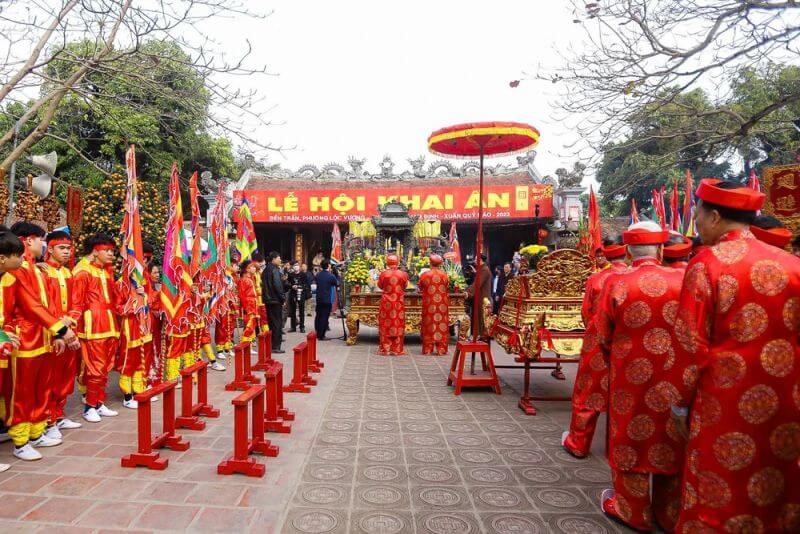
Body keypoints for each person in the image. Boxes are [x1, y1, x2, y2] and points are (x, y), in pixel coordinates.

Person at [671, 179, 800, 533]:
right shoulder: (792, 265)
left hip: (723, 402)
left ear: (714, 216)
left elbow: (690, 345)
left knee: (718, 483)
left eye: (698, 214)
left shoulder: (707, 264)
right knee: (776, 483)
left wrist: (680, 404)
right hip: (785, 401)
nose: (696, 222)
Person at [594, 222, 684, 532]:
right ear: (660, 250)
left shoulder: (617, 282)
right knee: (671, 436)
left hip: (630, 375)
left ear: (630, 252)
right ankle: (670, 513)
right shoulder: (683, 280)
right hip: (675, 374)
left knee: (630, 436)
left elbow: (603, 333)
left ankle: (632, 511)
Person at [6, 222, 80, 459]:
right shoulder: (18, 270)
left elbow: (48, 305)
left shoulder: (36, 269)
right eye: (41, 240)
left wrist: (56, 332)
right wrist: (60, 329)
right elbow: (31, 306)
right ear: (29, 240)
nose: (43, 244)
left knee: (42, 387)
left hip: (42, 335)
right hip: (24, 337)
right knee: (24, 390)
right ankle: (20, 441)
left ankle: (36, 431)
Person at [563, 236, 628, 459]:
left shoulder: (597, 279)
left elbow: (586, 312)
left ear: (606, 254)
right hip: (628, 347)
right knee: (625, 397)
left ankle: (579, 443)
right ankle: (618, 450)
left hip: (597, 342)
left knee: (588, 393)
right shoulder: (637, 278)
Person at [72, 233, 121, 423]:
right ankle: (90, 407)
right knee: (96, 368)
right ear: (95, 250)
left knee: (105, 366)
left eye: (112, 251)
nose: (111, 255)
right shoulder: (82, 271)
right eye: (107, 251)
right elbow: (76, 303)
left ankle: (99, 402)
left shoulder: (104, 270)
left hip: (108, 323)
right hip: (92, 327)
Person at [41, 230, 83, 432]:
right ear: (50, 249)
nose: (67, 252)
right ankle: (48, 420)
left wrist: (69, 322)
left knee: (66, 376)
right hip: (51, 333)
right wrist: (58, 328)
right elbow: (42, 305)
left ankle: (59, 415)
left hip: (68, 331)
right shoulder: (42, 273)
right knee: (50, 377)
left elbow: (77, 303)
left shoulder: (68, 273)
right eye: (62, 248)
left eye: (69, 248)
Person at [113, 259, 153, 409]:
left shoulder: (142, 281)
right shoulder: (120, 284)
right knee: (128, 359)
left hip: (143, 326)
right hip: (129, 328)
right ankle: (127, 395)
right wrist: (134, 302)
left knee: (141, 361)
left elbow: (150, 300)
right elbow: (118, 308)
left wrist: (144, 296)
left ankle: (138, 390)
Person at [0, 228, 25, 470]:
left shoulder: (8, 279)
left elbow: (7, 315)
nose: (22, 259)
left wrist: (6, 332)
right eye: (18, 255)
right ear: (3, 258)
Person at [377, 253, 409, 355]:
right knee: (398, 323)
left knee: (385, 324)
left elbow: (380, 285)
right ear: (397, 262)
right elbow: (405, 286)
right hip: (398, 302)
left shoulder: (383, 274)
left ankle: (385, 348)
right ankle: (397, 349)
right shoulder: (403, 274)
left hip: (386, 302)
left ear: (387, 263)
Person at [418, 253, 449, 355]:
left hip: (429, 302)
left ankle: (428, 348)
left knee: (429, 323)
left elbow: (420, 287)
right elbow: (446, 285)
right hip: (442, 303)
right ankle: (441, 349)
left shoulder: (425, 275)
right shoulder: (444, 275)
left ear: (430, 263)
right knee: (441, 323)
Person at [262, 251, 285, 353]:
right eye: (279, 258)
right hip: (275, 300)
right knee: (277, 323)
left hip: (268, 300)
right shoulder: (274, 269)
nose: (280, 260)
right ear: (274, 259)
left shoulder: (266, 269)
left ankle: (271, 344)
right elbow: (277, 285)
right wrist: (282, 298)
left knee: (271, 323)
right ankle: (276, 346)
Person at [465, 254, 492, 339]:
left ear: (480, 260)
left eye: (476, 259)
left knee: (480, 316)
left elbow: (477, 284)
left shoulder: (484, 270)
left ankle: (480, 336)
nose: (474, 261)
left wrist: (468, 293)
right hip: (479, 296)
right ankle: (477, 335)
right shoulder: (481, 269)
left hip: (482, 297)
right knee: (477, 316)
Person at [314, 259, 338, 340]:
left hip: (319, 298)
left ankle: (317, 332)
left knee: (318, 315)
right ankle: (321, 335)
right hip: (327, 299)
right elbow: (336, 283)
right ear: (328, 265)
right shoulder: (331, 276)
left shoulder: (318, 275)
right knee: (324, 317)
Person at [237, 261, 259, 344]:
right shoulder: (244, 280)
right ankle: (245, 344)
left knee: (252, 325)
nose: (254, 268)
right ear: (247, 269)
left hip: (252, 306)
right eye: (252, 267)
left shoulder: (250, 279)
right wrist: (246, 308)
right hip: (249, 307)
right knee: (249, 326)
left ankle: (249, 344)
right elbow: (242, 295)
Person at [287, 261, 311, 333]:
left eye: (297, 265)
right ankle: (293, 327)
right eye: (294, 265)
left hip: (301, 294)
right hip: (293, 294)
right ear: (292, 267)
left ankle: (302, 327)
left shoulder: (303, 274)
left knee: (301, 311)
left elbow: (307, 284)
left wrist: (301, 287)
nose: (296, 267)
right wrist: (292, 286)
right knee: (292, 311)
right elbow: (287, 284)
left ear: (299, 266)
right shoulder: (290, 275)